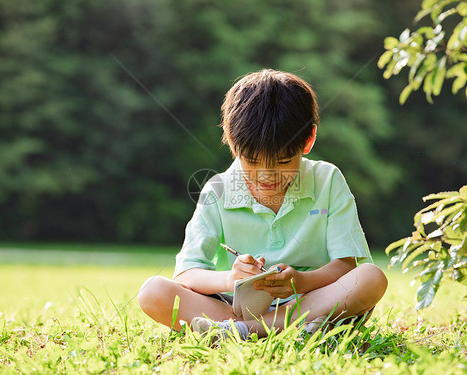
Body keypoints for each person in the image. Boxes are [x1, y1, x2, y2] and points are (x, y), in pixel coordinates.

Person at [138, 69, 387, 340]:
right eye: (253, 162)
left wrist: (302, 282)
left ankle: (241, 332)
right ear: (232, 143)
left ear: (308, 140)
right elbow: (186, 274)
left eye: (282, 162)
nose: (267, 177)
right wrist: (230, 279)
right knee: (153, 292)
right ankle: (279, 329)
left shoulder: (327, 179)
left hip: (313, 301)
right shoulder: (218, 191)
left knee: (371, 278)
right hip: (239, 309)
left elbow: (347, 265)